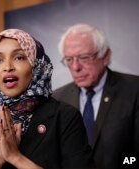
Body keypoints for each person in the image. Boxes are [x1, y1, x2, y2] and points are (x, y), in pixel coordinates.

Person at [0, 28, 95, 169]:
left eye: (19, 57)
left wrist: (15, 157)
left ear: (36, 65)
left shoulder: (64, 116)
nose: (7, 67)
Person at [52, 23, 139, 169]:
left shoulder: (134, 90)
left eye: (84, 58)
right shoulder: (57, 99)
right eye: (69, 59)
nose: (75, 67)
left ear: (105, 56)